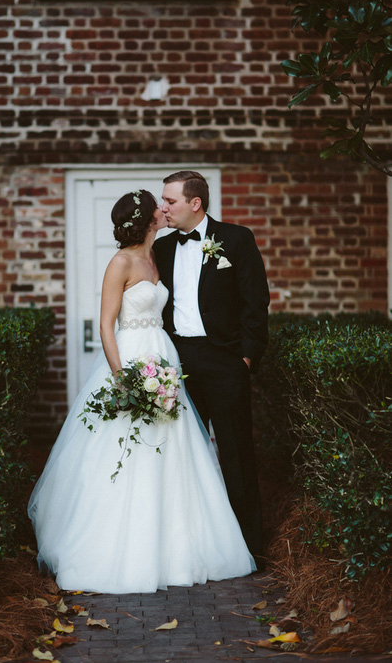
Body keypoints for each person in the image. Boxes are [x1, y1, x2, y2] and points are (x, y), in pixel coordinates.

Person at [28, 189, 256, 594]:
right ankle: (124, 549)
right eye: (161, 205)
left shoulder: (159, 255)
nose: (166, 209)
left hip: (166, 359)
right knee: (127, 452)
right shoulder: (120, 262)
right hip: (131, 361)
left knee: (176, 450)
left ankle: (180, 547)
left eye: (170, 201)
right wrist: (124, 379)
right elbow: (105, 325)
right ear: (149, 217)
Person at [153, 171, 270, 560]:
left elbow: (256, 303)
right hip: (178, 361)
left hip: (225, 361)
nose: (163, 207)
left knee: (235, 454)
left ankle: (248, 547)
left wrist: (245, 358)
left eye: (170, 201)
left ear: (195, 203)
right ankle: (189, 546)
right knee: (183, 455)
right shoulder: (163, 248)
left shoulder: (236, 240)